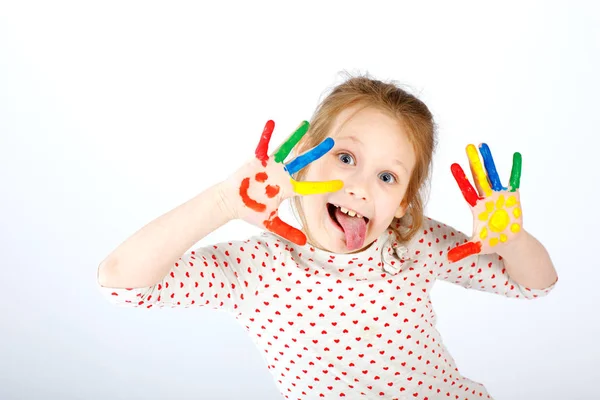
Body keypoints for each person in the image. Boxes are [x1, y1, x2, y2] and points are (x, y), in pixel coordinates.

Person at [97, 73, 558, 400]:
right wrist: (222, 202)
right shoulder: (257, 269)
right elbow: (121, 280)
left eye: (387, 177)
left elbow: (536, 284)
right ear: (302, 160)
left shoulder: (415, 243)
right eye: (345, 158)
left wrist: (512, 241)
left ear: (402, 203)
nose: (360, 187)